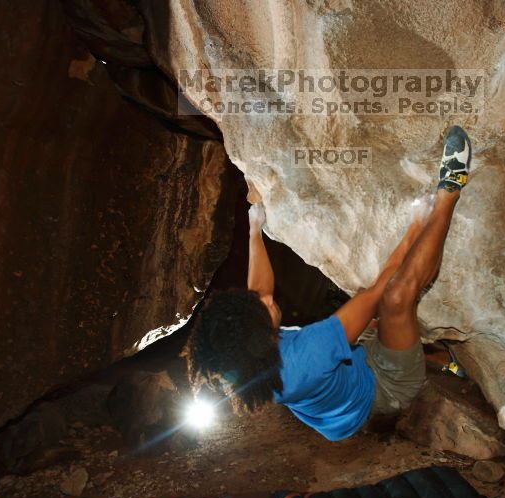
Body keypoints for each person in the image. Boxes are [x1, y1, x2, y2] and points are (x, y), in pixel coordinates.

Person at [188, 126, 472, 440]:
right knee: (396, 298)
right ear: (261, 342)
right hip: (383, 388)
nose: (268, 300)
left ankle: (440, 357)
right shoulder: (307, 357)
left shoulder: (248, 363)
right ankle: (452, 188)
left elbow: (261, 293)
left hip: (347, 371)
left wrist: (255, 228)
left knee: (373, 325)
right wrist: (416, 225)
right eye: (263, 311)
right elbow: (377, 290)